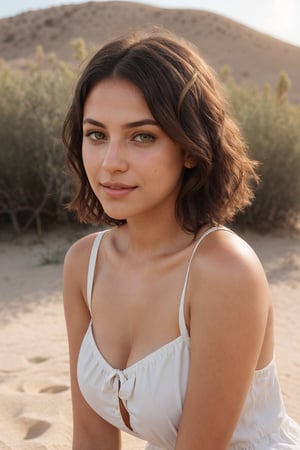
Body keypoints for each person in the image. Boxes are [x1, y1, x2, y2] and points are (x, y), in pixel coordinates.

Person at [62, 28, 300, 450]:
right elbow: (93, 438)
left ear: (190, 148)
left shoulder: (224, 270)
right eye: (96, 134)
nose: (111, 163)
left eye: (142, 136)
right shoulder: (84, 265)